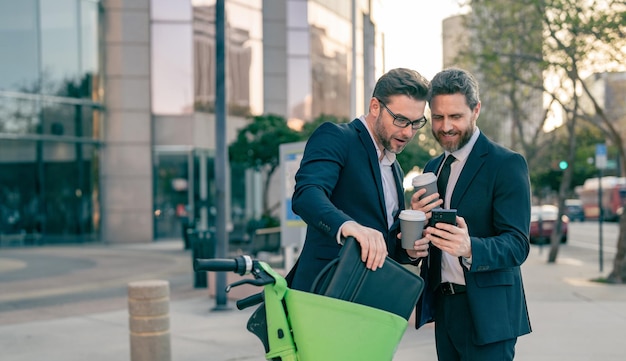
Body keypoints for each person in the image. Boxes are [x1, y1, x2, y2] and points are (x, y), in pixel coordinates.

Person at [412, 68, 532, 360]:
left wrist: (470, 248)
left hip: (490, 315)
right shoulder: (432, 169)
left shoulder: (506, 164)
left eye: (456, 117)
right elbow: (428, 244)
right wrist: (415, 227)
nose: (446, 126)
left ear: (475, 110)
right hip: (445, 309)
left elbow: (518, 244)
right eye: (438, 117)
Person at [289, 68, 431, 292]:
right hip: (325, 293)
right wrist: (349, 226)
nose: (408, 132)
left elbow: (384, 242)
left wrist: (409, 251)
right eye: (401, 120)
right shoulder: (336, 137)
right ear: (375, 107)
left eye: (416, 123)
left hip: (368, 298)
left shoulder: (394, 167)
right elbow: (307, 194)